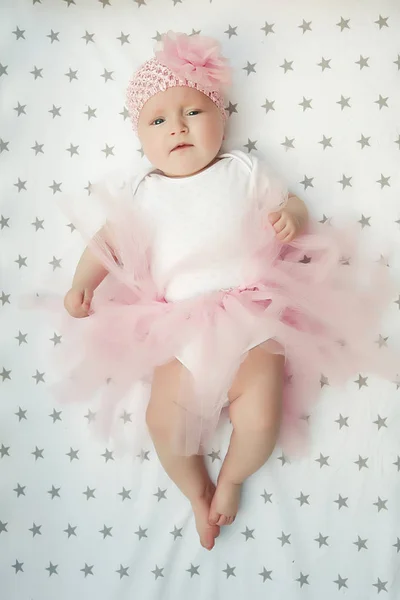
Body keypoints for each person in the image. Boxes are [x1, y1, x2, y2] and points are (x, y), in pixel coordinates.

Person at [59, 31, 398, 551]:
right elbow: (106, 243)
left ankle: (234, 477)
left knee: (260, 419)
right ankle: (197, 491)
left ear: (222, 117)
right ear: (141, 138)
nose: (176, 127)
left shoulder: (243, 170)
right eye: (158, 120)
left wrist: (290, 216)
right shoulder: (143, 191)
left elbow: (293, 204)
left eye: (192, 112)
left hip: (250, 312)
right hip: (177, 326)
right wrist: (83, 283)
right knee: (164, 425)